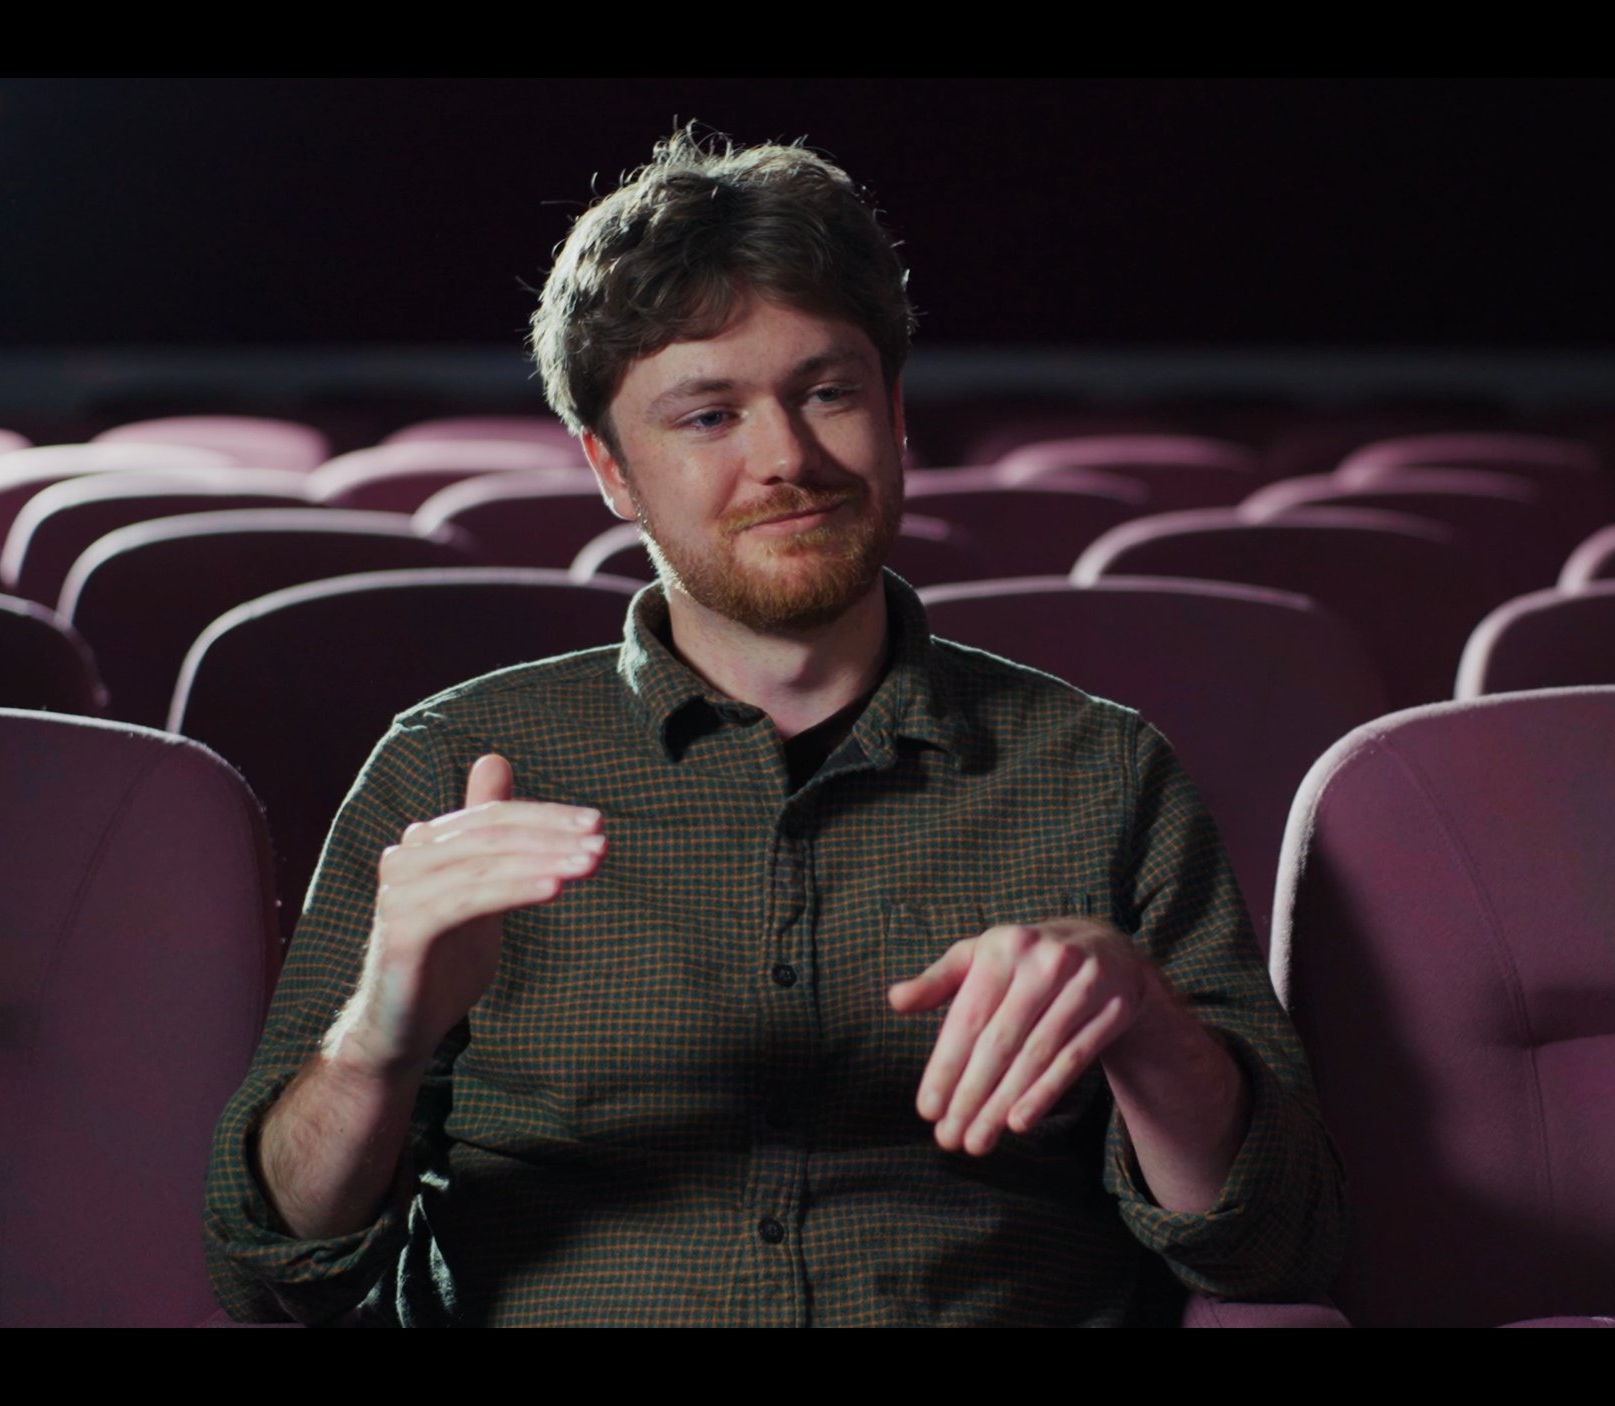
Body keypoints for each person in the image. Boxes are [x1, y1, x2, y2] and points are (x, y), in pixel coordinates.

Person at [202, 127, 1345, 1326]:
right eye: (707, 417)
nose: (787, 458)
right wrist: (382, 1033)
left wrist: (1146, 1027)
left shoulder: (1102, 770)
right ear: (609, 467)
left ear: (894, 411)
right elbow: (268, 1266)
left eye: (828, 392)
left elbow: (1279, 1247)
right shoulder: (449, 764)